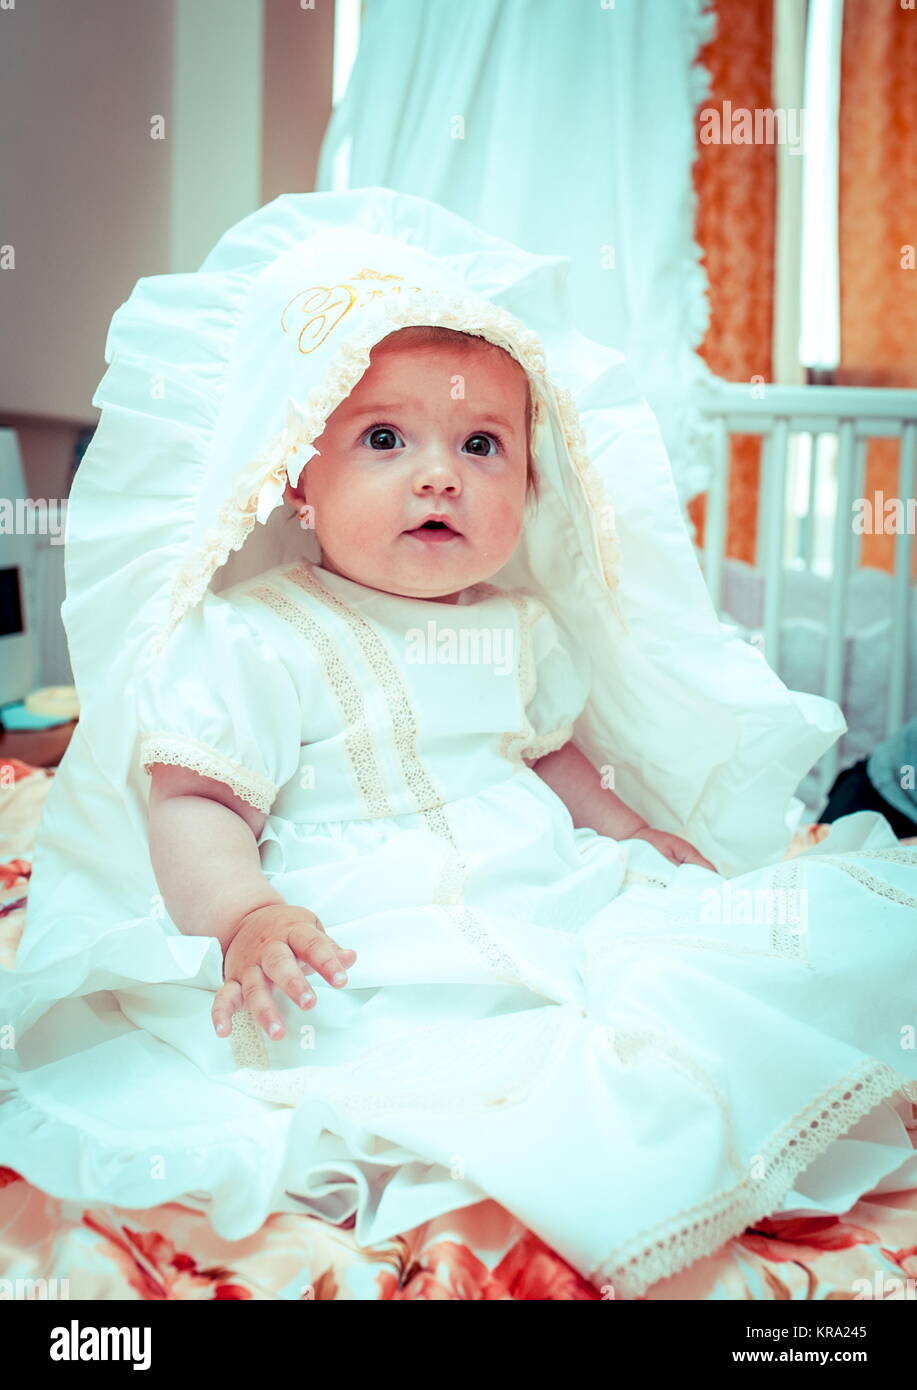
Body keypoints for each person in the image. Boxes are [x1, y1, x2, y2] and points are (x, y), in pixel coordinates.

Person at [2, 188, 916, 1302]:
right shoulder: (254, 635)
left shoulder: (516, 626)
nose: (438, 473)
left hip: (536, 874)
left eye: (481, 444)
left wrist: (631, 831)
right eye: (383, 438)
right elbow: (194, 801)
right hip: (358, 909)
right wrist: (244, 914)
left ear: (527, 488)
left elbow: (549, 756)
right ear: (298, 476)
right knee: (410, 1041)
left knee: (700, 960)